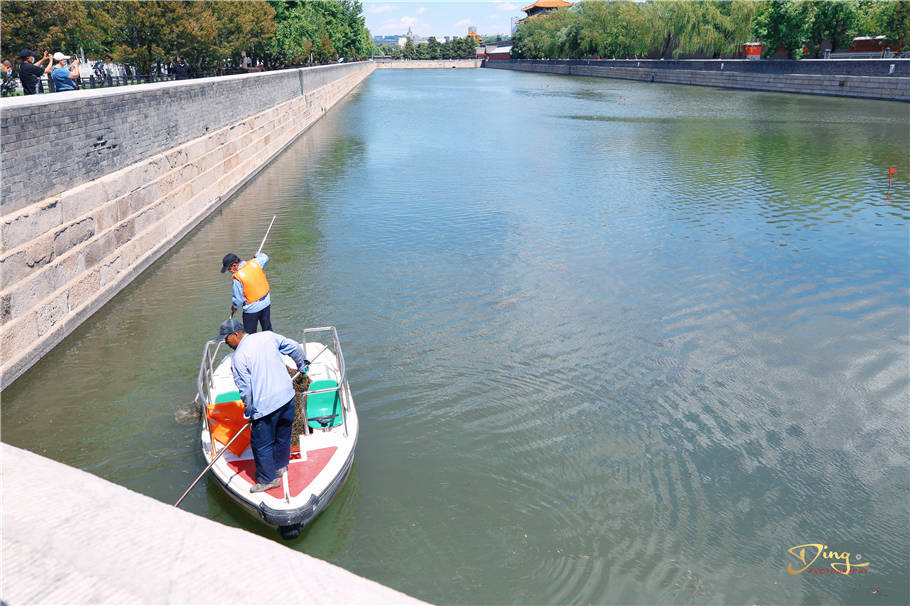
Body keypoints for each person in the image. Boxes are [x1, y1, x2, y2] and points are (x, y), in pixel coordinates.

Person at [225, 329, 310, 493]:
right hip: (287, 397)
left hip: (265, 407)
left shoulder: (238, 358)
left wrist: (249, 412)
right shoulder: (268, 336)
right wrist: (301, 365)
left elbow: (246, 390)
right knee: (282, 435)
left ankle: (268, 480)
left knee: (261, 445)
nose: (226, 343)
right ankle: (278, 466)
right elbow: (295, 348)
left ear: (236, 334)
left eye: (226, 338)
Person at [221, 251, 273, 334]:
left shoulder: (237, 278)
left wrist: (234, 307)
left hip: (252, 309)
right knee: (267, 329)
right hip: (266, 303)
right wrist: (258, 255)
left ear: (234, 265)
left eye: (229, 269)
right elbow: (265, 257)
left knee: (249, 335)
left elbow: (238, 300)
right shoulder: (255, 263)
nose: (229, 271)